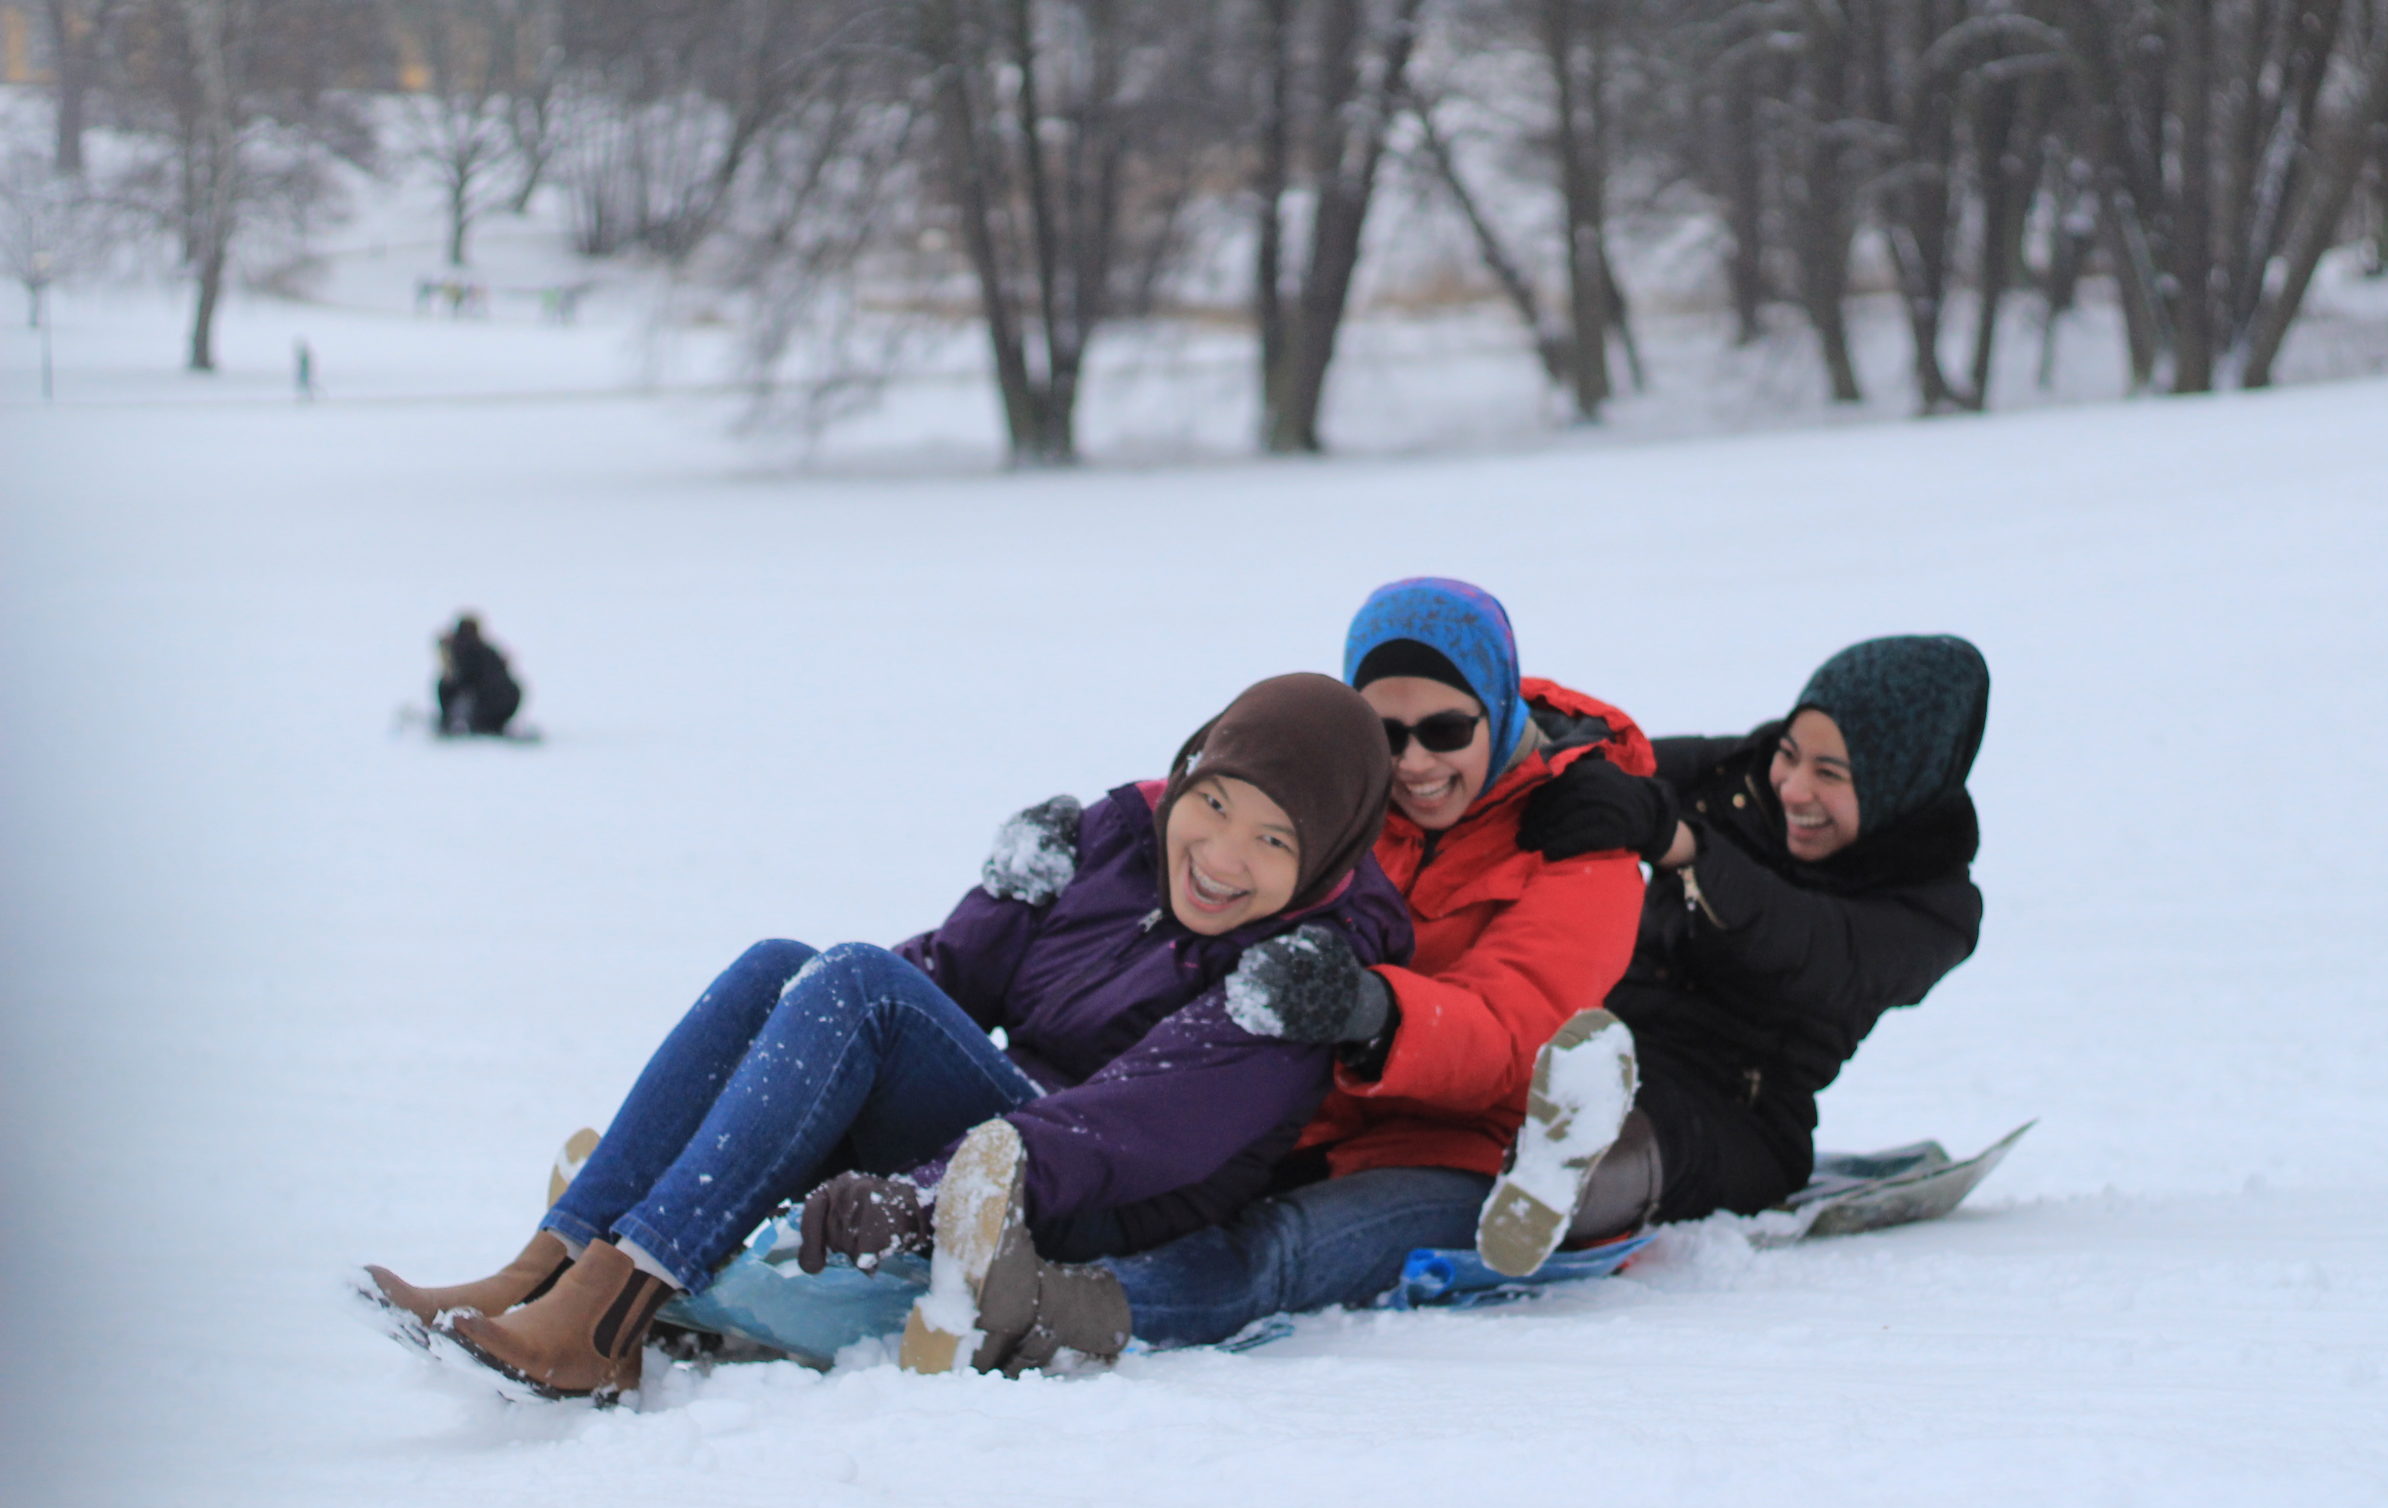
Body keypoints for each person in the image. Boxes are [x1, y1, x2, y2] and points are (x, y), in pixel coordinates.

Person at [362, 674, 1407, 1399]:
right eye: (1212, 804)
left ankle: (601, 1315)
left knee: (854, 983)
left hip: (1085, 1206)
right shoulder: (1116, 845)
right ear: (1187, 775)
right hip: (1007, 1134)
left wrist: (926, 1191)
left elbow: (1133, 1134)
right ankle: (553, 1265)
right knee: (787, 967)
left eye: (1272, 840)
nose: (1222, 855)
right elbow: (947, 978)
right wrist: (819, 1051)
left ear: (1322, 858)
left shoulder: (1299, 976)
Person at [911, 578, 1658, 1369]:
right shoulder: (1346, 807)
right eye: (1384, 731)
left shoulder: (1581, 848)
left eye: (1444, 729)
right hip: (1294, 1119)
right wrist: (1085, 847)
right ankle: (965, 1255)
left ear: (1500, 712)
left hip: (1457, 1146)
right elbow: (1216, 805)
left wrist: (1372, 1011)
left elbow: (1513, 1030)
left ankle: (1056, 1312)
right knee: (1155, 1183)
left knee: (1274, 1249)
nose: (1413, 763)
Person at [1492, 634, 1991, 1250]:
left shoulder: (1936, 908)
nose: (1793, 788)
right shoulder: (1739, 775)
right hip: (1592, 1041)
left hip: (1735, 1114)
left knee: (1656, 1134)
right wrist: (1496, 740)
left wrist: (1685, 847)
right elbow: (1612, 763)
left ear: (1898, 783)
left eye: (1829, 774)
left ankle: (1557, 1197)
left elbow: (1811, 946)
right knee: (1507, 1062)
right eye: (1790, 753)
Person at [433, 613, 524, 738]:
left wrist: (446, 720)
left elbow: (457, 683)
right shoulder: (488, 649)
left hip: (488, 701)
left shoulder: (460, 651)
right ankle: (492, 726)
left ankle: (479, 725)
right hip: (512, 696)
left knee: (446, 686)